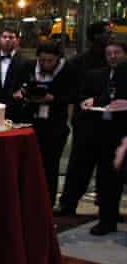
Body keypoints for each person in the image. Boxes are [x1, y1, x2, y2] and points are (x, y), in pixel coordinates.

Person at [55, 22, 113, 216]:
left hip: (111, 123)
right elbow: (68, 91)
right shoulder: (79, 63)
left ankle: (107, 208)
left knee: (109, 169)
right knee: (80, 165)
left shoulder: (115, 61)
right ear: (96, 36)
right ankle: (68, 203)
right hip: (87, 123)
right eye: (106, 33)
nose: (110, 36)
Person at [11, 41, 76, 202]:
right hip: (30, 121)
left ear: (58, 59)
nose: (45, 64)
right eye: (42, 60)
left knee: (50, 166)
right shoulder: (29, 67)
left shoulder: (67, 70)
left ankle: (48, 201)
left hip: (54, 125)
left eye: (49, 61)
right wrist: (21, 93)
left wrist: (54, 99)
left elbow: (74, 94)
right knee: (27, 165)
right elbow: (18, 86)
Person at [76, 42, 127, 235]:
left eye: (117, 53)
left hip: (123, 131)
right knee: (107, 177)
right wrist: (93, 101)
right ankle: (108, 218)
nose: (113, 56)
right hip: (105, 132)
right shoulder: (99, 74)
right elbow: (100, 96)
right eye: (109, 53)